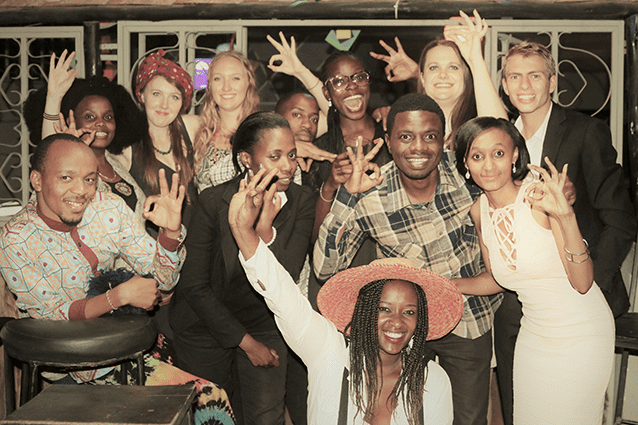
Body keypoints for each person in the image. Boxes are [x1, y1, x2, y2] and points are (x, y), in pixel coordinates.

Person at [0, 134, 235, 425]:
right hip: (71, 370)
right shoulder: (16, 239)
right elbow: (51, 315)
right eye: (66, 178)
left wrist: (170, 234)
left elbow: (164, 281)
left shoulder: (108, 209)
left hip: (129, 354)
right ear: (37, 180)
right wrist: (119, 297)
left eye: (89, 179)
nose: (80, 190)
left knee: (210, 400)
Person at [314, 93, 502, 425]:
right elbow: (324, 268)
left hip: (469, 318)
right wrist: (347, 195)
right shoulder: (370, 191)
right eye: (405, 137)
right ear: (388, 140)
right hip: (402, 327)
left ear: (444, 140)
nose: (418, 147)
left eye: (429, 136)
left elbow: (510, 183)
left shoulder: (468, 173)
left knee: (469, 420)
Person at [227, 165, 463, 425]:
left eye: (409, 312)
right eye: (384, 308)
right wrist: (243, 230)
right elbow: (282, 295)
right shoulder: (329, 353)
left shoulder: (433, 380)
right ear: (364, 309)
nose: (397, 322)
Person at [495, 40, 637, 425]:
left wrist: (589, 285)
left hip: (580, 305)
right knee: (519, 412)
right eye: (514, 76)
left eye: (535, 75)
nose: (524, 85)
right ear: (504, 85)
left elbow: (621, 219)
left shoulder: (586, 131)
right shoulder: (499, 141)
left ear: (552, 81)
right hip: (518, 305)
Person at [453, 116, 615, 424]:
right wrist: (446, 283)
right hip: (534, 337)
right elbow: (497, 279)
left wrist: (565, 215)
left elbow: (582, 282)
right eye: (477, 156)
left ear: (515, 155)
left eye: (498, 153)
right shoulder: (479, 211)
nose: (488, 165)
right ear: (466, 164)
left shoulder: (540, 198)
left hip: (581, 332)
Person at [169, 112, 315, 425]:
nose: (288, 165)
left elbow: (283, 278)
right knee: (215, 418)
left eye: (292, 154)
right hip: (204, 326)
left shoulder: (302, 201)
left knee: (266, 417)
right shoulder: (213, 201)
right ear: (246, 158)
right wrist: (246, 343)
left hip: (264, 321)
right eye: (275, 156)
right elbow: (194, 286)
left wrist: (262, 228)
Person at [24, 50, 147, 224]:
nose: (100, 123)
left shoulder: (117, 166)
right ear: (71, 121)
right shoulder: (66, 167)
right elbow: (51, 155)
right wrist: (53, 98)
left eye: (108, 117)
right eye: (89, 116)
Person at [370, 10, 507, 149]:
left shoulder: (475, 128)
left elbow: (500, 136)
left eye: (453, 67)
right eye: (433, 68)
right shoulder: (406, 126)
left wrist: (476, 60)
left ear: (467, 77)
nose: (443, 75)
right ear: (422, 78)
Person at [193, 51, 260, 191]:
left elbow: (314, 122)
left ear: (249, 82)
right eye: (218, 79)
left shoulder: (265, 129)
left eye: (235, 78)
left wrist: (301, 73)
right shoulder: (196, 128)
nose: (226, 87)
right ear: (209, 85)